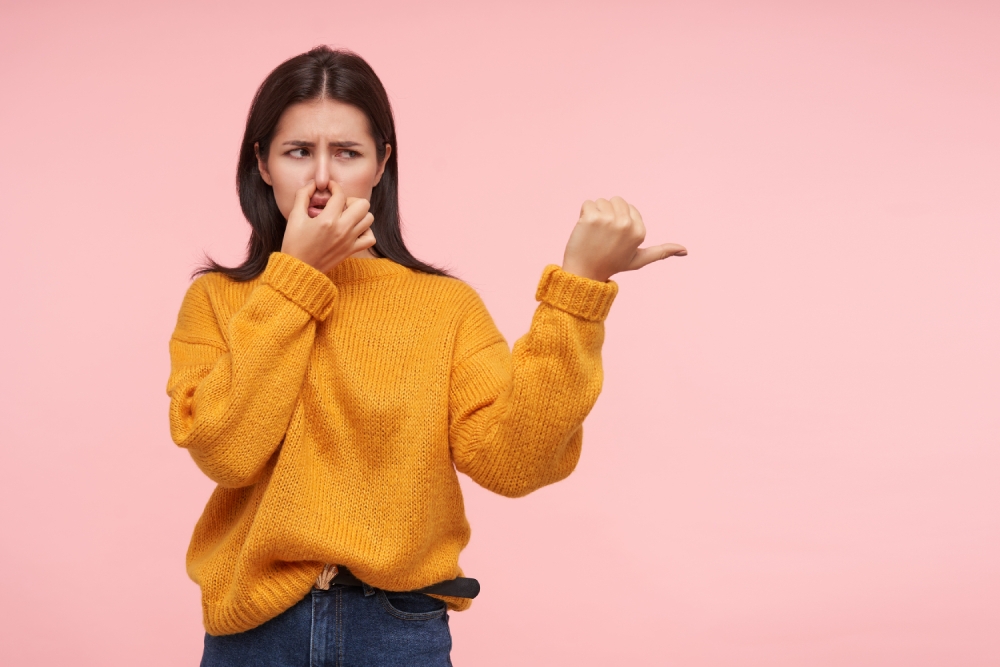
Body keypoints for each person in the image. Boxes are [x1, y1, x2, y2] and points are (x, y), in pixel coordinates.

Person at [166, 45, 686, 666]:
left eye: (349, 153)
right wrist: (295, 277)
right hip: (255, 634)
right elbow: (226, 451)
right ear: (263, 163)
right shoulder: (220, 301)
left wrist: (579, 292)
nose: (323, 178)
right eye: (299, 151)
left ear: (382, 165)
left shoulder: (444, 308)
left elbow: (513, 462)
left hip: (395, 629)